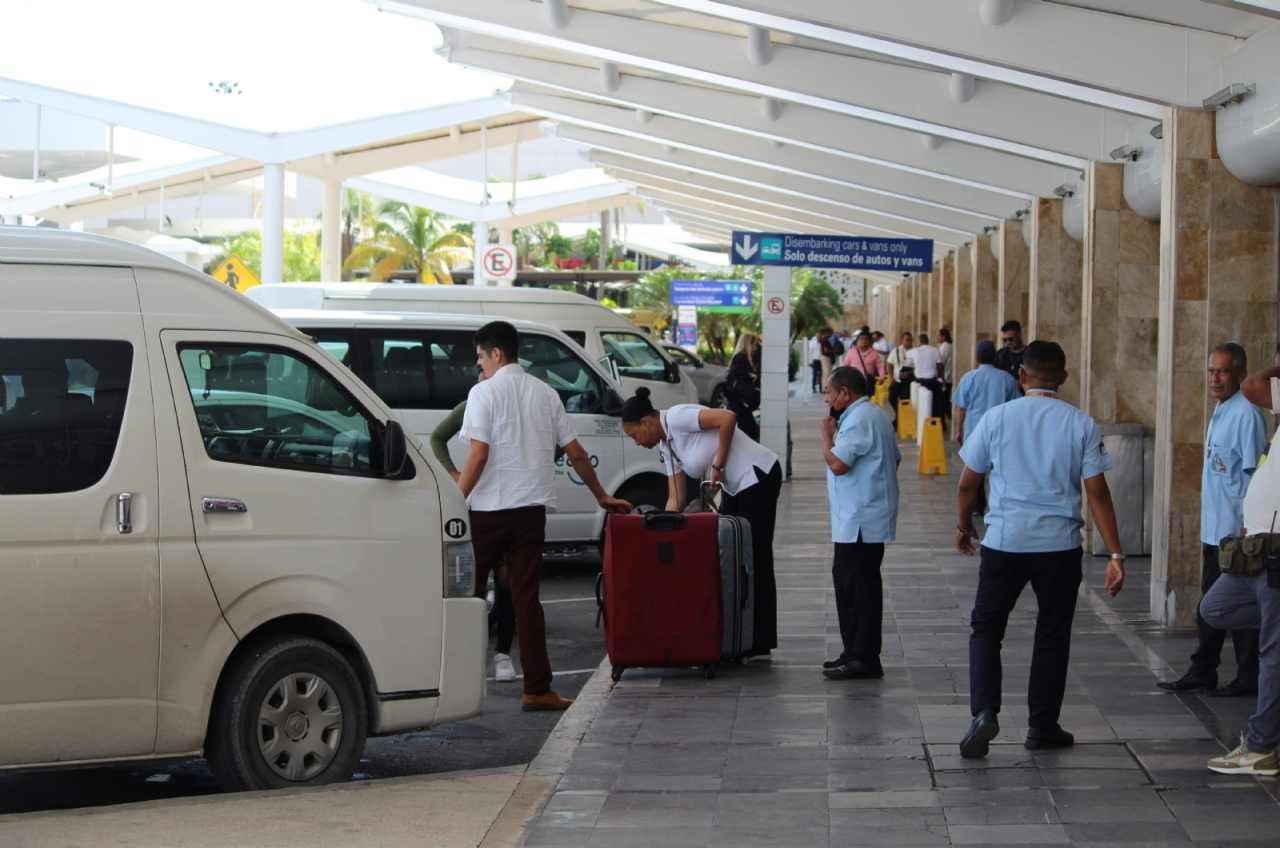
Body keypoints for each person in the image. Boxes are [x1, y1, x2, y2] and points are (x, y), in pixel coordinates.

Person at [954, 341, 1126, 758]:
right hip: (1059, 546)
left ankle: (984, 712)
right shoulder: (1080, 423)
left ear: (1022, 376)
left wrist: (963, 525)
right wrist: (1116, 555)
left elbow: (967, 483)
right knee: (1052, 634)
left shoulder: (997, 418)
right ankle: (1043, 725)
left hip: (1004, 542)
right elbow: (1097, 493)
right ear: (1063, 377)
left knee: (986, 629)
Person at [458, 321, 631, 711]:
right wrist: (602, 495)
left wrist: (456, 501)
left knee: (464, 598)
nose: (479, 366)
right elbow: (575, 452)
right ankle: (537, 689)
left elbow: (478, 453)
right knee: (526, 599)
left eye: (480, 358)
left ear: (496, 354)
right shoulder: (546, 393)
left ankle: (453, 684)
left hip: (486, 512)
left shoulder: (483, 393)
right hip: (530, 512)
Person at [620, 388, 782, 656]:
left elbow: (728, 418)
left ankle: (759, 639)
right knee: (731, 556)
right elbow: (676, 499)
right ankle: (739, 635)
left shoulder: (678, 417)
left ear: (646, 422)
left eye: (634, 435)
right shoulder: (666, 446)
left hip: (757, 475)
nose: (636, 442)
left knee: (754, 556)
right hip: (734, 486)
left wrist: (717, 465)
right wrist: (660, 536)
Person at [1158, 344, 1265, 697]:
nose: (1214, 379)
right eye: (1211, 371)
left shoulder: (1246, 415)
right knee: (1210, 604)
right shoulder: (1221, 410)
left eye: (1222, 371)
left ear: (1238, 374)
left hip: (1235, 533)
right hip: (1214, 529)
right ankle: (1203, 668)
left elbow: (1254, 477)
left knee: (1235, 606)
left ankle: (1247, 674)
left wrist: (1249, 529)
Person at [1200, 347, 1280, 776]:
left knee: (1271, 652)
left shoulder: (1248, 408)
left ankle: (1263, 745)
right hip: (1255, 548)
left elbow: (1252, 385)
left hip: (1274, 551)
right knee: (1215, 608)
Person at [821, 367, 900, 680]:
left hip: (860, 521)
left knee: (858, 588)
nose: (826, 397)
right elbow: (894, 458)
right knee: (853, 585)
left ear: (845, 393)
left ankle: (863, 657)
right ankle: (854, 651)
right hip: (862, 516)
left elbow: (839, 464)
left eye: (829, 392)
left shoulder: (858, 418)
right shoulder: (873, 414)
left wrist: (826, 436)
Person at [432, 395, 516, 683]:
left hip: (510, 504)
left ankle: (502, 654)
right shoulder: (472, 402)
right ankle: (473, 656)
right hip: (477, 508)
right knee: (474, 586)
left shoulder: (516, 402)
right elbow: (437, 438)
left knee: (507, 585)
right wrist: (456, 475)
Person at [952, 341, 1020, 448]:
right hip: (999, 432)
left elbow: (961, 408)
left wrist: (958, 430)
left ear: (977, 358)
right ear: (995, 357)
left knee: (972, 464)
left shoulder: (968, 378)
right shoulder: (1007, 379)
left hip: (973, 431)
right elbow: (1016, 407)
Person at [724, 333, 762, 441]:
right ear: (748, 345)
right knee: (750, 433)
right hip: (740, 406)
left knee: (749, 434)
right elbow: (736, 377)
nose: (756, 348)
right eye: (754, 345)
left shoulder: (746, 358)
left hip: (741, 406)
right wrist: (750, 375)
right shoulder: (741, 358)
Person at [911, 333, 945, 420]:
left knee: (920, 405)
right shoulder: (935, 350)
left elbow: (906, 359)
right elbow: (940, 366)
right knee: (935, 404)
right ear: (928, 341)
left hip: (920, 382)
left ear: (919, 342)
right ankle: (935, 422)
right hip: (933, 382)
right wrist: (941, 380)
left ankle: (922, 422)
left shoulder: (915, 351)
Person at [886, 331, 916, 424]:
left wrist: (910, 372)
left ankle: (905, 420)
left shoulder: (915, 352)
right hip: (897, 379)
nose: (909, 342)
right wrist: (891, 377)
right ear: (902, 340)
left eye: (910, 340)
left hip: (909, 380)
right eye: (907, 340)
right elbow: (889, 364)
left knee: (905, 400)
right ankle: (896, 418)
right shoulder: (896, 351)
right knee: (892, 398)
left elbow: (918, 366)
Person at [995, 320, 1028, 388]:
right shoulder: (1000, 354)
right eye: (1004, 340)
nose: (1008, 342)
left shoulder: (1029, 354)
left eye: (1011, 339)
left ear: (1019, 335)